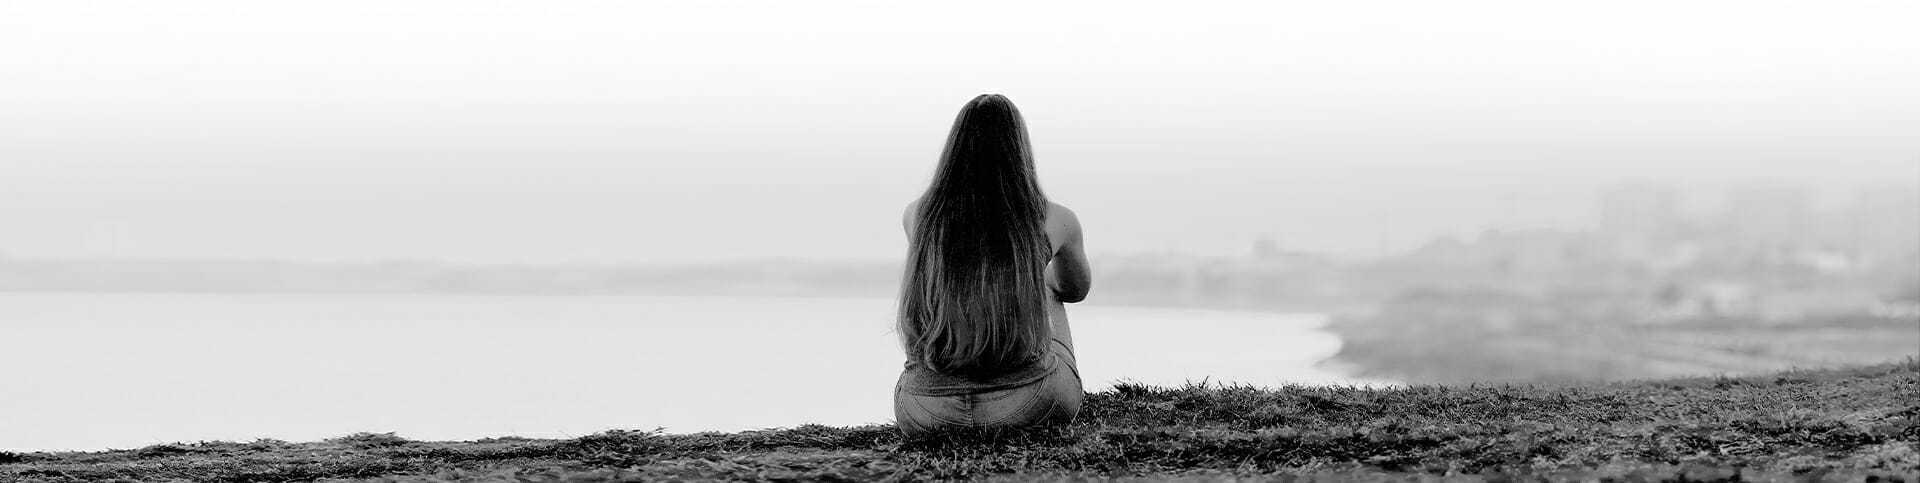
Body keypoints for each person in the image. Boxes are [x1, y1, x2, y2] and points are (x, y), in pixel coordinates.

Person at [893, 94, 1093, 437]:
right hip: (1028, 404)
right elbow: (1074, 290)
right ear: (1020, 151)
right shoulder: (1055, 219)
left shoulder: (919, 215)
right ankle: (1020, 375)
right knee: (1046, 282)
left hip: (924, 411)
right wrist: (1035, 269)